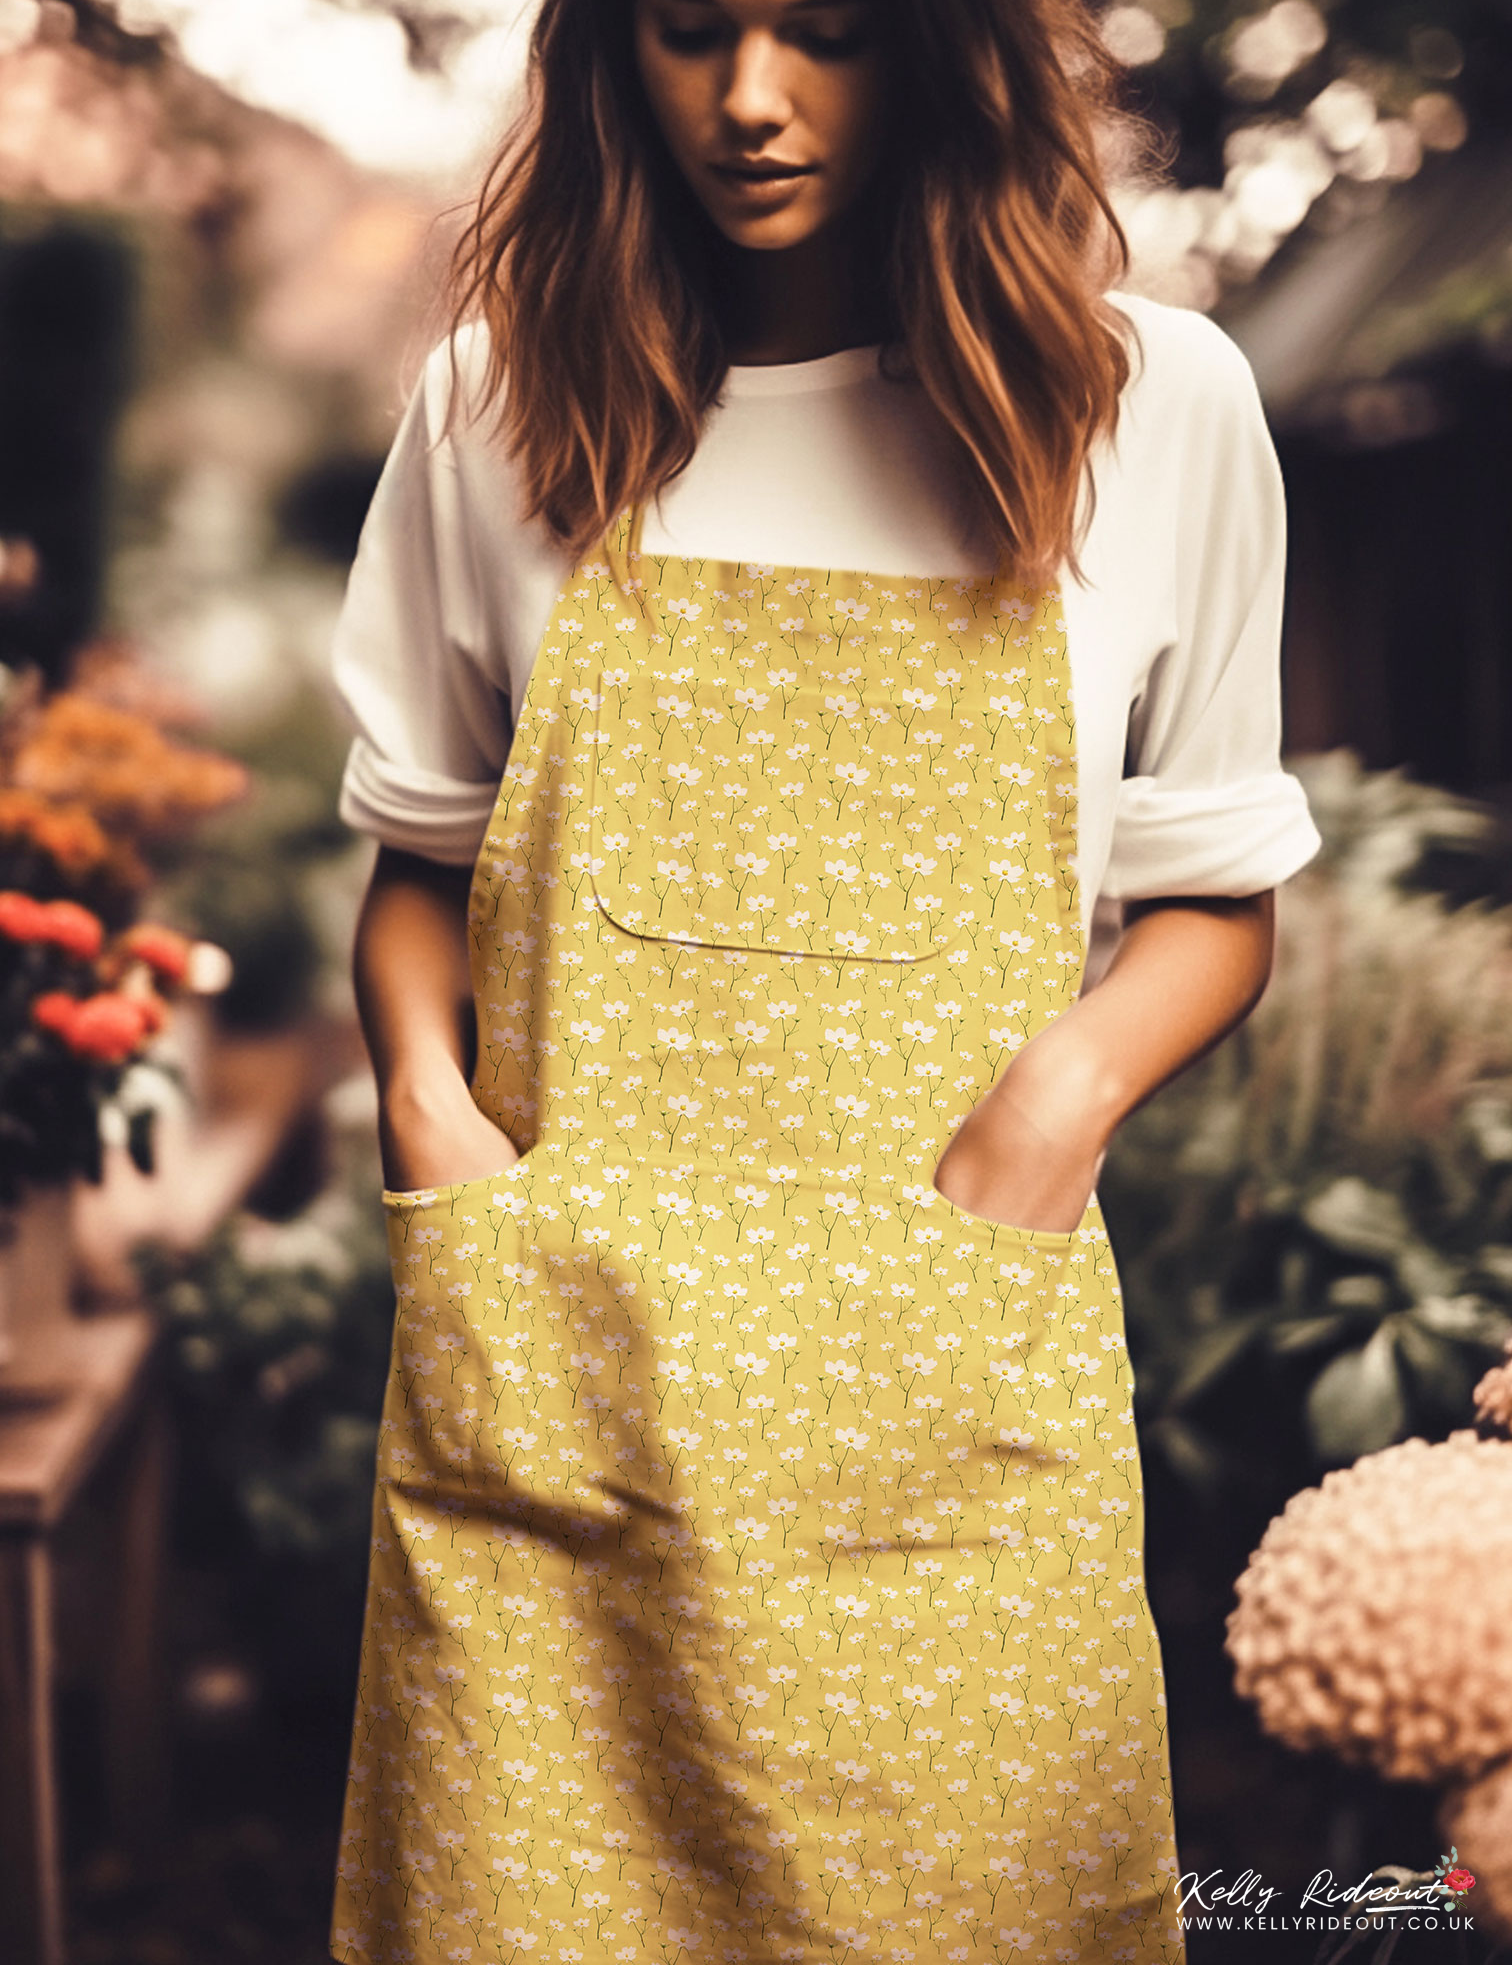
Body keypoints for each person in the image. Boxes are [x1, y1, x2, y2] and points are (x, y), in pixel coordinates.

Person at [328, 3, 1322, 1961]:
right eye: (693, 32)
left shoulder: (1154, 409)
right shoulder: (494, 405)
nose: (753, 99)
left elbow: (1218, 896)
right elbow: (418, 868)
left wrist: (1052, 1109)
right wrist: (432, 1123)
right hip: (563, 1409)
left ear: (951, 56)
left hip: (952, 1428)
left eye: (835, 35)